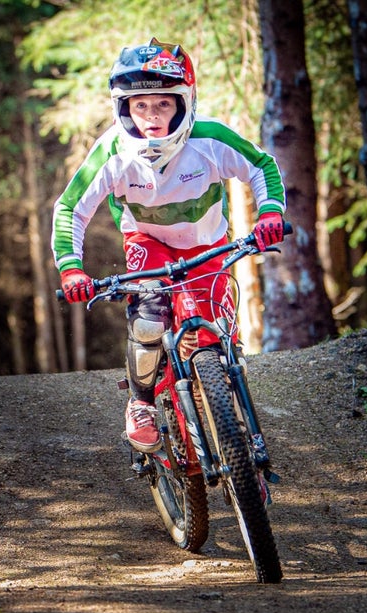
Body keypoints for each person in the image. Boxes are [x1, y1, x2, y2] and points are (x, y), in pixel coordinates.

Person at [52, 38, 288, 454]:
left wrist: (269, 213)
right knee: (149, 319)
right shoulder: (112, 150)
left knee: (218, 335)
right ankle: (141, 403)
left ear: (184, 102)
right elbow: (71, 207)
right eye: (140, 105)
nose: (151, 116)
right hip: (148, 242)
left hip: (207, 245)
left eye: (163, 103)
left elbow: (262, 166)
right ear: (123, 108)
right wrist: (71, 269)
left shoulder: (209, 137)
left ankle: (233, 424)